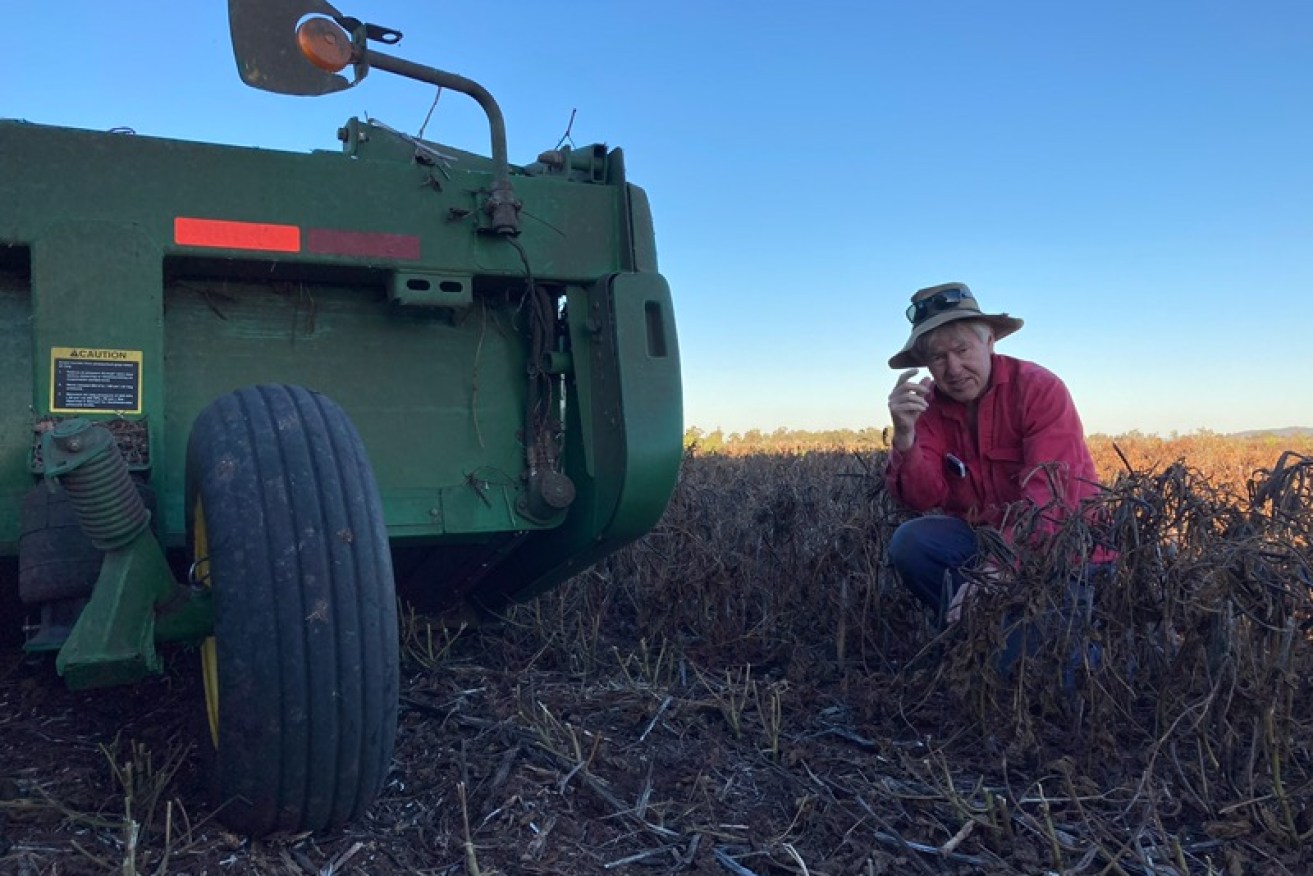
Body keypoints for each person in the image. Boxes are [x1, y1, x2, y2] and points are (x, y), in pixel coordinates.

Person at [883, 282, 1112, 636]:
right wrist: (905, 439)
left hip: (1067, 551)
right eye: (938, 358)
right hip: (987, 544)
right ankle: (972, 636)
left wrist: (997, 570)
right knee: (912, 542)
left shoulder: (1039, 389)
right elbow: (921, 499)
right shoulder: (926, 406)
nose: (953, 368)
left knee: (1049, 659)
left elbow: (1049, 500)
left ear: (990, 341)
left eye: (962, 349)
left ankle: (1000, 637)